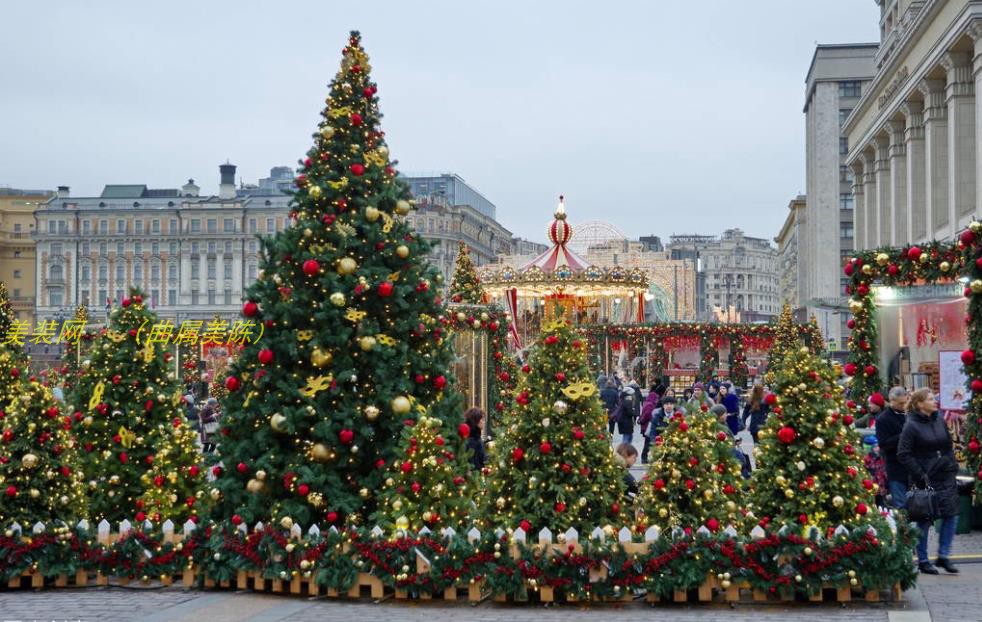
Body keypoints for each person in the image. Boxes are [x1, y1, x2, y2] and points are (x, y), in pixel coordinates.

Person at [898, 389, 960, 575]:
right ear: (919, 404)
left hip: (945, 475)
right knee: (924, 519)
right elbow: (904, 454)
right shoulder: (911, 426)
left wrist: (951, 464)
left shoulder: (939, 420)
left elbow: (948, 446)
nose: (935, 401)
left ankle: (943, 556)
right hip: (925, 478)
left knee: (952, 515)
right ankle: (923, 560)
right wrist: (920, 474)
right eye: (931, 399)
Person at [875, 386, 910, 509]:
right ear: (891, 401)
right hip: (896, 468)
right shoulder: (883, 419)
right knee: (902, 506)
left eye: (906, 402)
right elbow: (884, 444)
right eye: (901, 403)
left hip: (913, 468)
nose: (904, 405)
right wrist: (904, 435)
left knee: (917, 507)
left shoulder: (910, 415)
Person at [638, 385, 661, 464]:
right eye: (656, 398)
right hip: (648, 426)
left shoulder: (647, 403)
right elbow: (648, 414)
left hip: (646, 426)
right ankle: (644, 458)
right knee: (648, 442)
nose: (657, 400)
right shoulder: (650, 405)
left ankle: (645, 457)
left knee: (648, 442)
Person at [863, 437, 888, 507]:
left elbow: (883, 472)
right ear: (869, 448)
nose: (878, 449)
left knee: (882, 506)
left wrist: (886, 484)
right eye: (875, 447)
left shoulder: (881, 458)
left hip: (881, 490)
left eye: (878, 446)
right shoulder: (865, 460)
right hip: (870, 490)